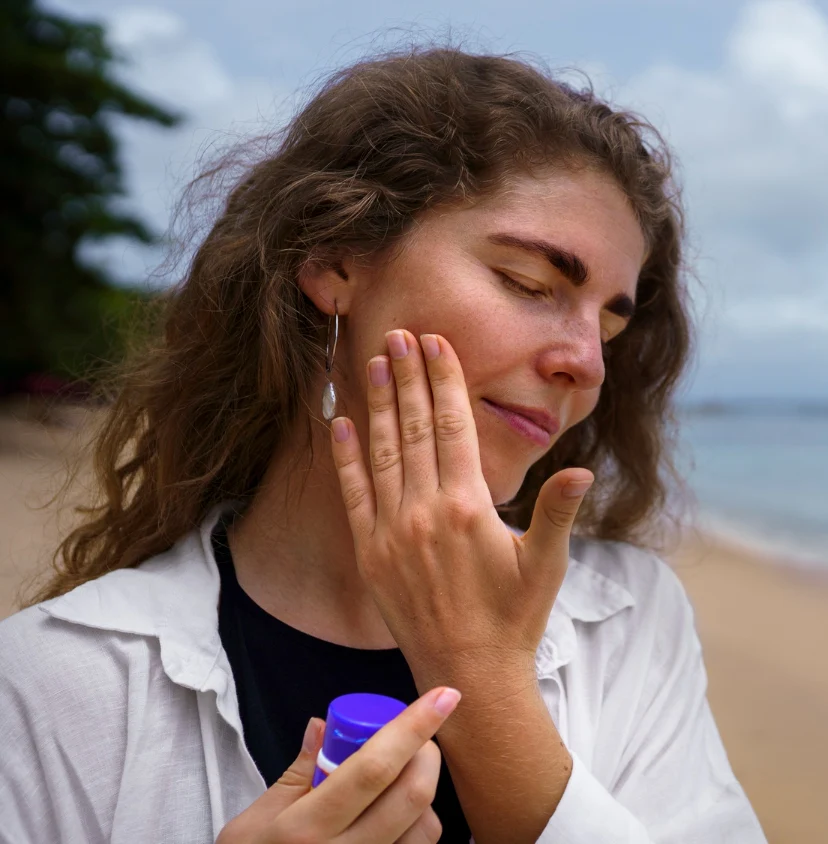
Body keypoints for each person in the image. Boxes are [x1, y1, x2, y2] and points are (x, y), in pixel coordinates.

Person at [0, 47, 768, 844]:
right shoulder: (54, 681)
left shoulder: (631, 623)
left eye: (610, 324)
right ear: (334, 261)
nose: (586, 362)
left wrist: (479, 673)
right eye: (530, 285)